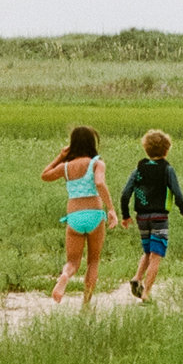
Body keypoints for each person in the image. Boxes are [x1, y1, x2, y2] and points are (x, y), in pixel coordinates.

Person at [41, 123, 114, 304]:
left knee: (73, 262)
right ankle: (86, 304)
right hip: (95, 215)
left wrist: (60, 156)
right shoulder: (97, 163)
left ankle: (65, 275)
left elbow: (45, 175)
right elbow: (99, 183)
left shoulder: (65, 167)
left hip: (74, 216)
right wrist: (111, 209)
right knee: (93, 261)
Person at [114, 128, 183, 299]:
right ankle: (147, 291)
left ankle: (137, 277)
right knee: (156, 255)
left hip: (141, 217)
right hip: (160, 218)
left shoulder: (139, 169)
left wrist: (125, 215)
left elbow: (125, 193)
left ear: (146, 149)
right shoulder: (167, 169)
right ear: (167, 150)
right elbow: (177, 192)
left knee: (148, 251)